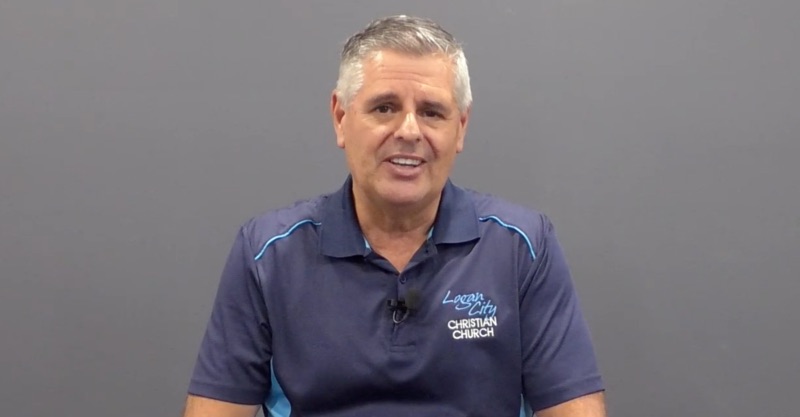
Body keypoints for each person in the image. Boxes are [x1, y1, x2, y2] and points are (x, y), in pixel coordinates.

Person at [182, 15, 606, 417]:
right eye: (384, 108)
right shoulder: (267, 254)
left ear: (460, 127)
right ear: (340, 118)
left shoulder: (522, 247)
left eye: (431, 112)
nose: (409, 131)